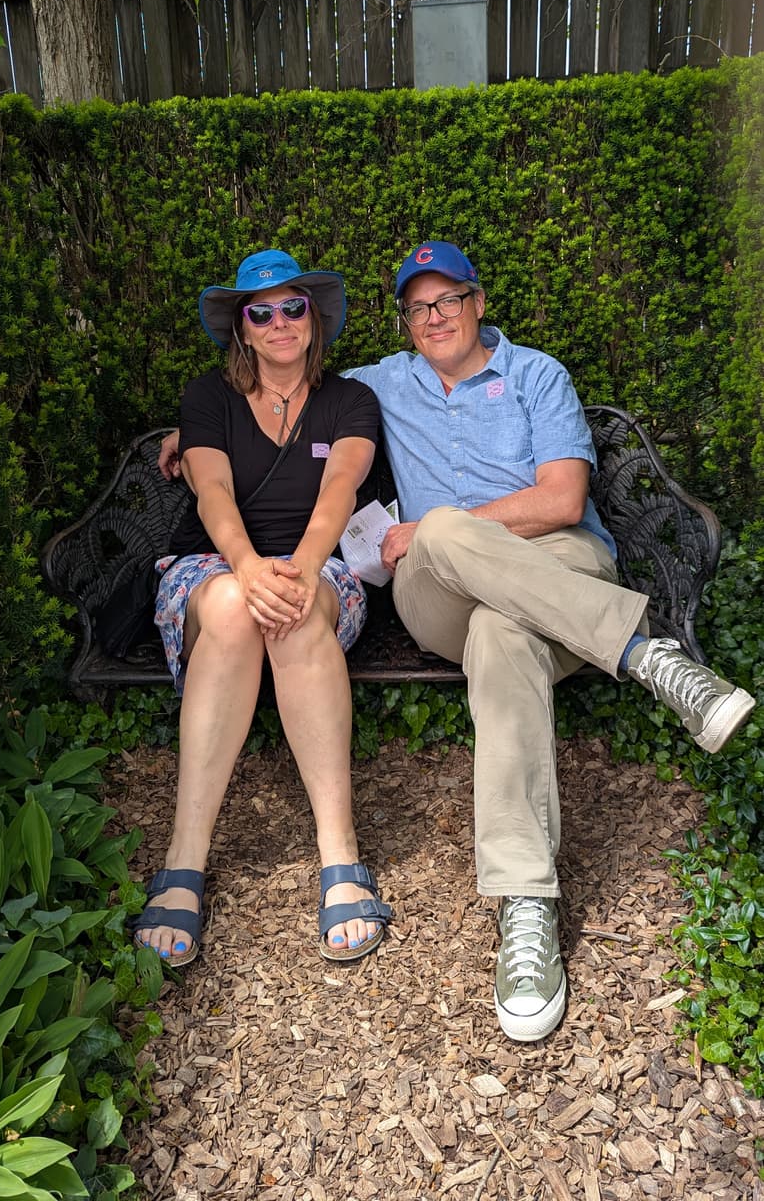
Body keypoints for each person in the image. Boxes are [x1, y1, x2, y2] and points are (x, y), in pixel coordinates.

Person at [158, 241, 755, 1039]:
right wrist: (184, 439)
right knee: (436, 538)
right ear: (403, 322)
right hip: (438, 589)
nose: (433, 317)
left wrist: (434, 531)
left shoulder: (536, 375)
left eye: (447, 301)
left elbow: (562, 498)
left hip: (553, 570)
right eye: (417, 307)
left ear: (478, 303)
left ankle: (526, 911)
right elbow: (260, 414)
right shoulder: (382, 384)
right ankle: (645, 653)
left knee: (497, 618)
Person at [134, 249, 392, 969]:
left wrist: (302, 572)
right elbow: (211, 493)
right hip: (216, 564)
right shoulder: (207, 400)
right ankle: (185, 855)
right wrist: (248, 570)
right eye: (261, 311)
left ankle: (338, 853)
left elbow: (340, 490)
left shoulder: (350, 402)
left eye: (293, 307)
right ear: (241, 329)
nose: (279, 322)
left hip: (317, 567)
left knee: (297, 612)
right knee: (227, 607)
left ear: (315, 318)